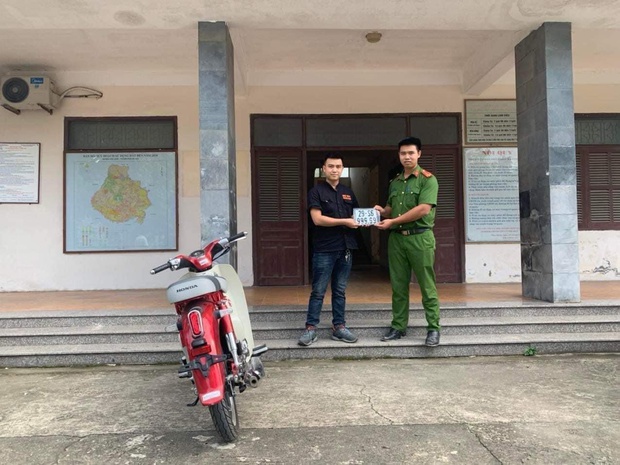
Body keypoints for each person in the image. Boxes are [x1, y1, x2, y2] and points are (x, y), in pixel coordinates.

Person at [374, 137, 441, 347]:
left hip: (420, 237)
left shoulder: (427, 179)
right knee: (398, 285)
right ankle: (398, 326)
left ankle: (433, 328)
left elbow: (423, 209)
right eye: (403, 153)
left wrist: (392, 220)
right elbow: (391, 209)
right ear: (399, 155)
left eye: (411, 153)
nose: (407, 157)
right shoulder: (395, 182)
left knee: (426, 285)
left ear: (419, 154)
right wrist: (382, 212)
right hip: (397, 240)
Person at [298, 154, 360, 346]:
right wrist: (345, 222)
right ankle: (310, 328)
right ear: (323, 169)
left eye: (338, 166)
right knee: (318, 290)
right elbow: (317, 219)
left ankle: (339, 327)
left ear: (342, 169)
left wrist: (372, 216)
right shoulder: (316, 192)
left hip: (346, 248)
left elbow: (357, 216)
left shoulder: (347, 192)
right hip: (324, 249)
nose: (335, 170)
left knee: (340, 291)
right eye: (331, 166)